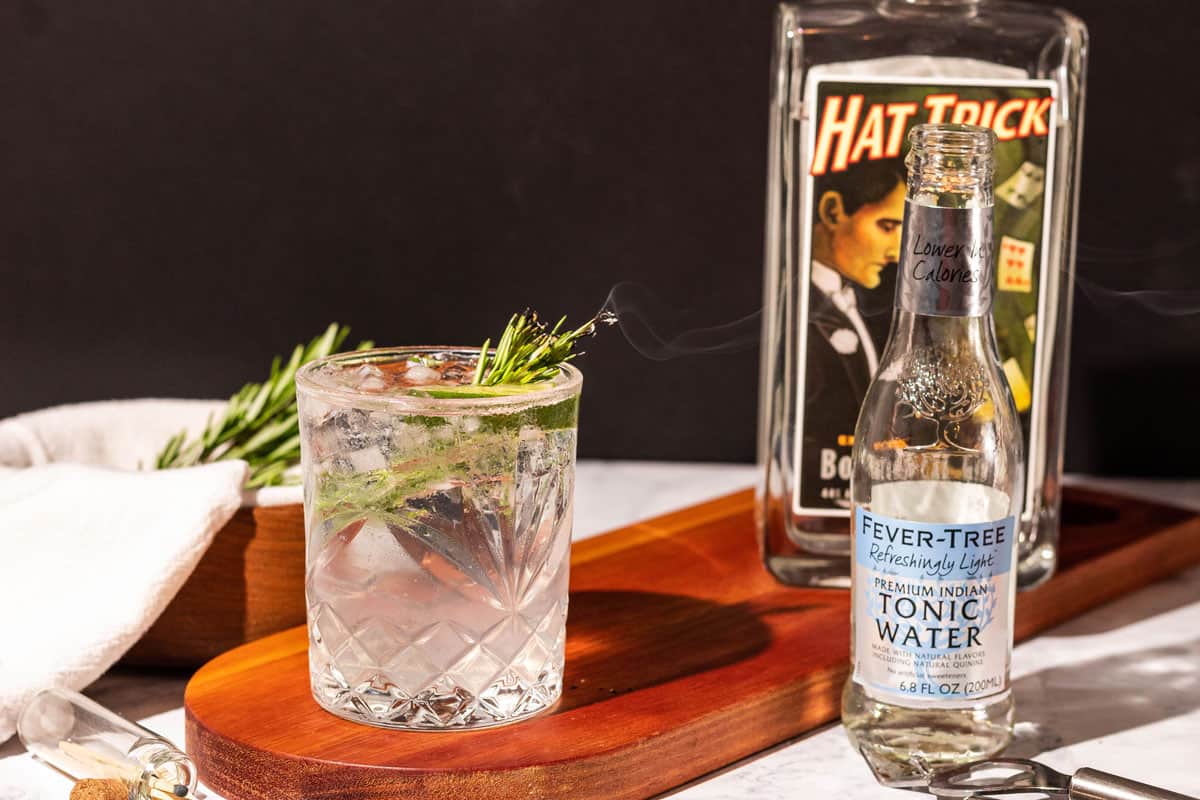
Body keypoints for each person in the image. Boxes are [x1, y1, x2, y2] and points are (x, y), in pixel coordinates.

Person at [799, 159, 905, 510]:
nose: (895, 252)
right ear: (832, 211)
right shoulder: (802, 310)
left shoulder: (857, 302)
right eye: (886, 226)